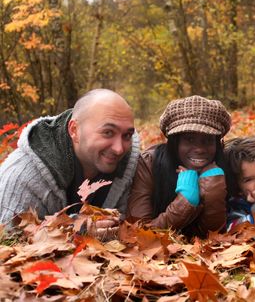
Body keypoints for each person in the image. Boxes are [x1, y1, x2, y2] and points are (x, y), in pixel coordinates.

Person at [0, 89, 140, 236]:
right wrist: (76, 229)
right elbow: (7, 239)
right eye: (108, 132)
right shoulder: (23, 176)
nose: (119, 149)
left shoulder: (130, 165)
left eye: (127, 135)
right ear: (74, 130)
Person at [126, 95, 231, 237]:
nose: (199, 149)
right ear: (175, 142)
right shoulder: (149, 164)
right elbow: (137, 233)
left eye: (207, 140)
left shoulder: (222, 168)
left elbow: (212, 237)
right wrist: (186, 200)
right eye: (189, 139)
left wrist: (213, 193)